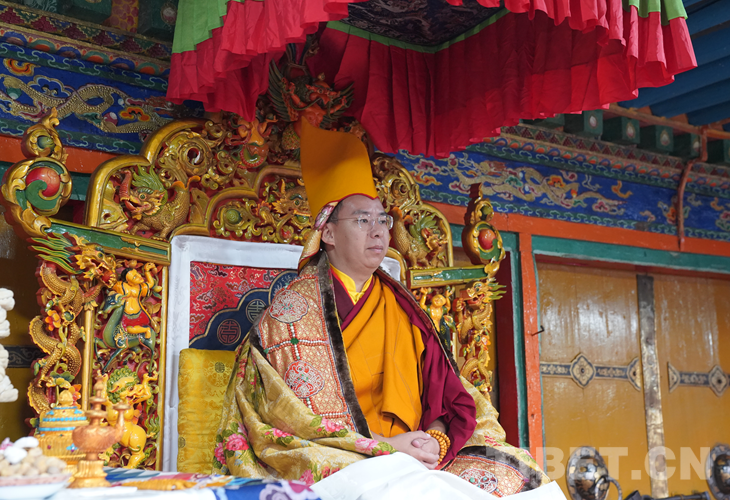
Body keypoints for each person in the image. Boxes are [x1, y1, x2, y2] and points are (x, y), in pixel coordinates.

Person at [213, 120, 562, 499]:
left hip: (421, 449)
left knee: (520, 480)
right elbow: (293, 423)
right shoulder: (291, 313)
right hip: (345, 456)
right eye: (362, 220)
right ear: (327, 233)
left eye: (383, 219)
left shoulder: (401, 305)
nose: (379, 231)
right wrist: (388, 447)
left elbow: (443, 393)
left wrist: (435, 440)